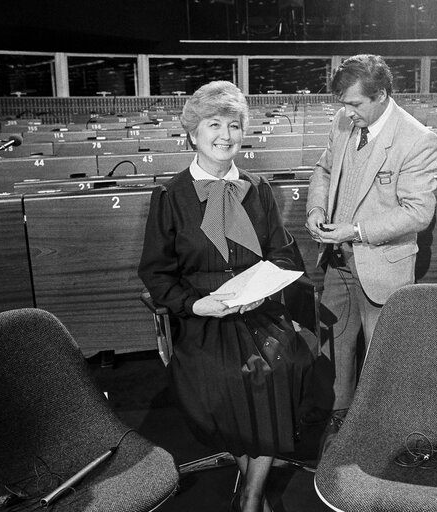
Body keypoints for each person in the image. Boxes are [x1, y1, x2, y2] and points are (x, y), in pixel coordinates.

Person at [138, 81, 311, 512]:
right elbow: (156, 273)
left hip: (259, 313)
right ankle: (253, 486)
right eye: (214, 124)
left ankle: (250, 495)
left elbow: (284, 255)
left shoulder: (258, 189)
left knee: (281, 367)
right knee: (222, 381)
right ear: (193, 134)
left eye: (234, 125)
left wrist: (260, 290)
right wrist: (196, 304)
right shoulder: (169, 196)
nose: (226, 135)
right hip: (201, 317)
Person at [304, 54, 437, 451]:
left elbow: (418, 212)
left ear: (380, 95)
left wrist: (358, 231)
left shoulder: (417, 139)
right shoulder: (344, 122)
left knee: (381, 359)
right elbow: (324, 169)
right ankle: (340, 423)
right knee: (335, 351)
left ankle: (381, 437)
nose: (346, 112)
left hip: (381, 265)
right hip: (336, 263)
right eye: (343, 104)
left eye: (354, 104)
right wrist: (316, 209)